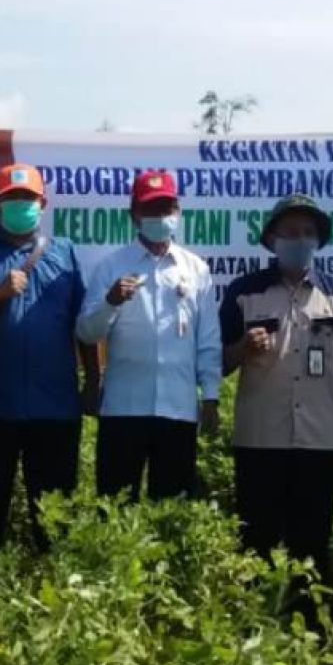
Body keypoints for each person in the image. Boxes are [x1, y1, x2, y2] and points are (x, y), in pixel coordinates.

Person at [0, 162, 100, 551]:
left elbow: (85, 327)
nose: (19, 205)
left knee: (54, 521)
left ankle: (53, 599)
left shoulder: (66, 254)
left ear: (42, 203)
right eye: (11, 199)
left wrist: (94, 382)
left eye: (26, 198)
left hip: (56, 410)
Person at [219, 194, 333, 575]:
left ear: (318, 241)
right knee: (257, 541)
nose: (300, 240)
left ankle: (309, 626)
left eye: (308, 232)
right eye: (290, 232)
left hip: (320, 440)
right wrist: (241, 349)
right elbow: (214, 362)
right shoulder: (243, 292)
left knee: (312, 542)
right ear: (272, 240)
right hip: (259, 439)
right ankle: (259, 621)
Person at [76, 170, 221, 500]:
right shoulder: (111, 266)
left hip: (178, 408)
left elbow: (208, 338)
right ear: (133, 215)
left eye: (166, 209)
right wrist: (110, 303)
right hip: (123, 408)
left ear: (178, 212)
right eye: (150, 210)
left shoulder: (196, 269)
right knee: (114, 509)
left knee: (172, 512)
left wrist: (210, 395)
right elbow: (86, 331)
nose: (159, 217)